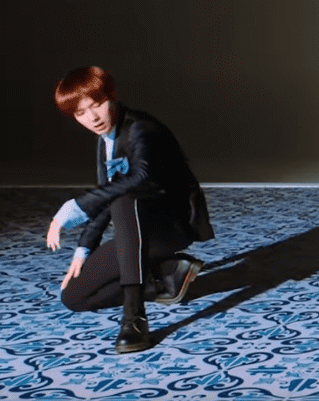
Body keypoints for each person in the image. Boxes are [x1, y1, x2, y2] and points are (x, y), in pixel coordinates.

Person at [45, 66, 214, 354]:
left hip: (170, 227)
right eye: (81, 113)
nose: (92, 118)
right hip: (134, 233)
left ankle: (134, 320)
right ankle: (166, 276)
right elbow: (108, 192)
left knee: (125, 199)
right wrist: (84, 249)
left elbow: (140, 178)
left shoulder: (141, 128)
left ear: (112, 96)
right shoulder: (104, 140)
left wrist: (74, 207)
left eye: (97, 104)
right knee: (73, 297)